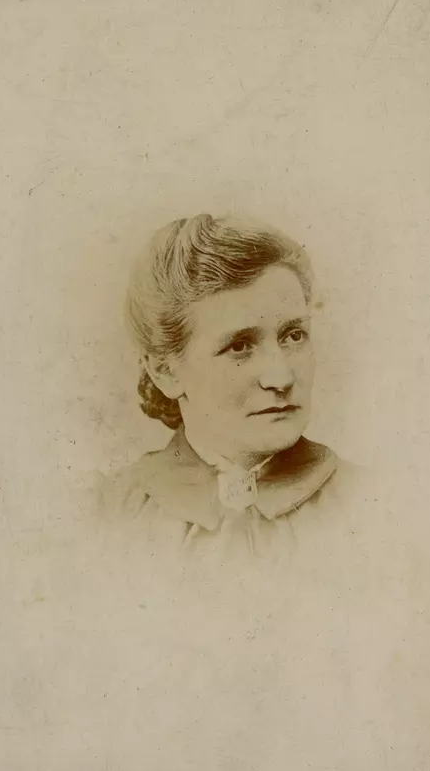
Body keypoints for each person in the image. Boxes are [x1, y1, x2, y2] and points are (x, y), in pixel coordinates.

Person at [114, 212, 359, 560]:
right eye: (240, 346)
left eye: (293, 336)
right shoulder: (108, 514)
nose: (281, 378)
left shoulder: (376, 505)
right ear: (165, 371)